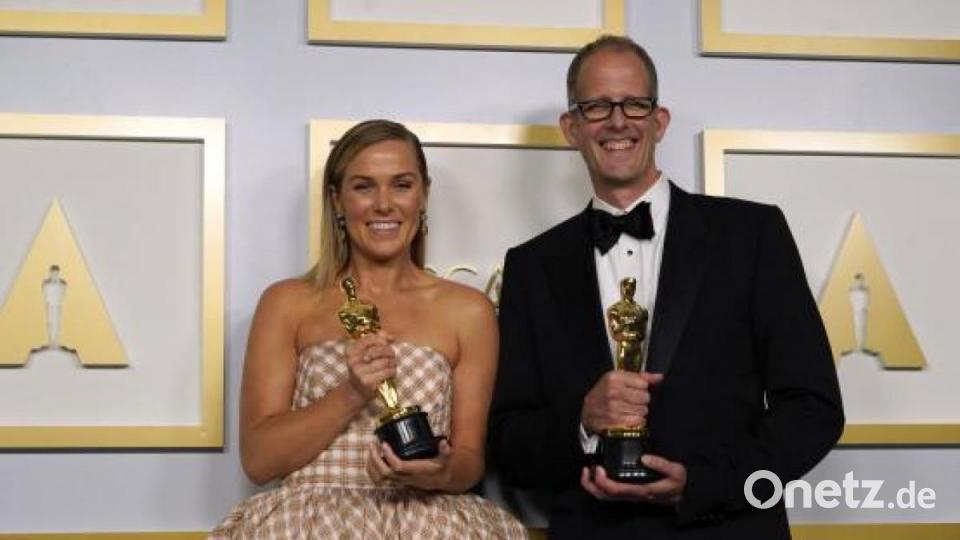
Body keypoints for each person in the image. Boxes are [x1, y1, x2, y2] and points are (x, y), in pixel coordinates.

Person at [488, 35, 844, 539]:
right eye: (596, 107)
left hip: (727, 528)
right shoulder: (530, 266)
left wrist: (705, 483)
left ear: (659, 121)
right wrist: (583, 420)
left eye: (634, 103)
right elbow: (509, 440)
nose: (617, 121)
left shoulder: (751, 236)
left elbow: (813, 410)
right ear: (571, 128)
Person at [212, 120, 526, 539]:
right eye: (363, 186)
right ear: (337, 200)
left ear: (423, 194)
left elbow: (469, 461)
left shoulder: (468, 310)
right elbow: (259, 459)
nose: (384, 204)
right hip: (304, 527)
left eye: (401, 185)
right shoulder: (287, 302)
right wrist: (353, 393)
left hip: (428, 523)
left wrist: (438, 471)